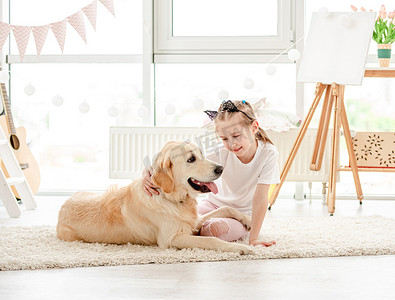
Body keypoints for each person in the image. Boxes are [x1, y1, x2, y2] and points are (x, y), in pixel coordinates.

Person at [142, 100, 280, 247]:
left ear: (254, 128)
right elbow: (173, 157)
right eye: (225, 139)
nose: (232, 144)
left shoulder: (268, 153)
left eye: (236, 136)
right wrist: (147, 172)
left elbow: (261, 198)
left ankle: (209, 228)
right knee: (183, 222)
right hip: (212, 206)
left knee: (213, 230)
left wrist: (253, 239)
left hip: (241, 216)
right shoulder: (221, 150)